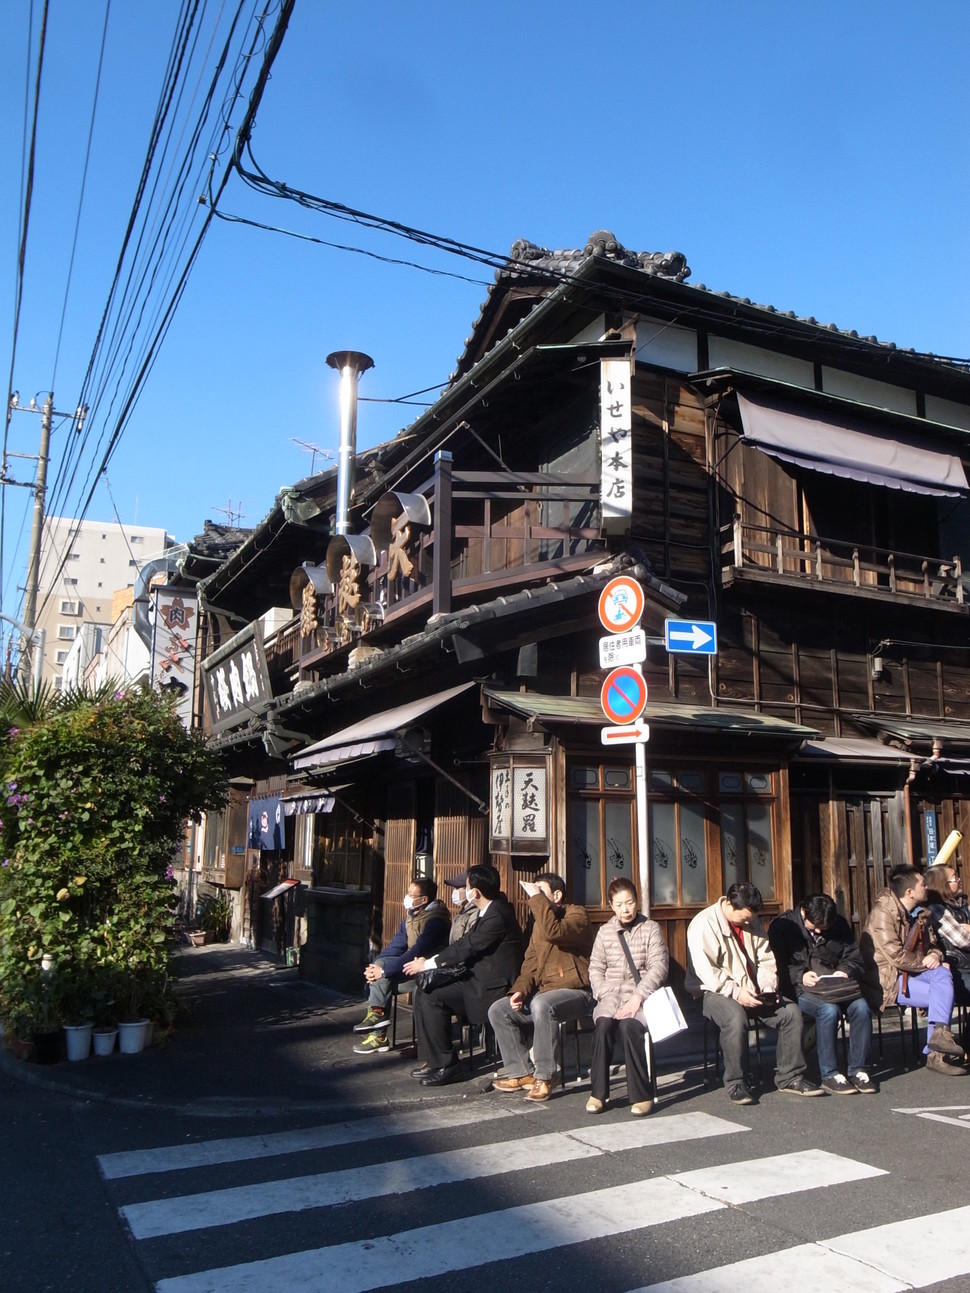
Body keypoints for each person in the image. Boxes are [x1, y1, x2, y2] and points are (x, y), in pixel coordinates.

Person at [686, 881, 822, 1103]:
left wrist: (768, 986)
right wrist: (736, 992)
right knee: (735, 1018)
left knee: (791, 1013)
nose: (749, 922)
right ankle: (736, 1082)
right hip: (712, 992)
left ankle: (790, 1076)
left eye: (751, 918)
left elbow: (765, 958)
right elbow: (707, 973)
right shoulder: (703, 924)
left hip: (752, 988)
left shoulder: (752, 922)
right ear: (729, 904)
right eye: (745, 918)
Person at [403, 864, 523, 1086]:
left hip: (489, 987)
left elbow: (468, 946)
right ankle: (436, 1060)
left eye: (466, 886)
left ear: (475, 892)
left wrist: (428, 963)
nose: (463, 891)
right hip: (476, 979)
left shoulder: (497, 914)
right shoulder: (489, 910)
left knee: (431, 996)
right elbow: (463, 945)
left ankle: (447, 1065)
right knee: (425, 992)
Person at [488, 873, 594, 1103]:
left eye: (540, 891)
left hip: (578, 992)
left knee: (541, 1004)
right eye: (533, 892)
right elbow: (530, 964)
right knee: (499, 1009)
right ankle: (522, 1072)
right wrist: (519, 991)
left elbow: (555, 931)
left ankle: (546, 1076)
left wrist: (536, 899)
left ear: (557, 895)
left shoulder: (577, 914)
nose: (534, 896)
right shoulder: (539, 925)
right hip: (545, 994)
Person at [861, 865, 967, 1075]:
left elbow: (934, 944)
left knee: (943, 973)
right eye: (922, 884)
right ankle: (935, 1052)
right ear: (909, 892)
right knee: (941, 993)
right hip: (888, 978)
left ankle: (937, 1044)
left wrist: (936, 956)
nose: (926, 886)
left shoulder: (920, 912)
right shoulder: (882, 914)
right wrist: (926, 960)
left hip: (914, 972)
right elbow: (896, 956)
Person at [768, 893, 876, 1094]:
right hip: (800, 989)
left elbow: (854, 958)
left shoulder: (839, 924)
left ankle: (859, 1069)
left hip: (835, 986)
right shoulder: (783, 926)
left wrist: (845, 970)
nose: (819, 931)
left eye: (824, 928)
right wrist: (801, 975)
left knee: (861, 1007)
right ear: (803, 912)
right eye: (814, 926)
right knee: (829, 1010)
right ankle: (830, 1073)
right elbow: (777, 965)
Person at [586, 877, 669, 1116]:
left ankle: (641, 1095)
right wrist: (604, 992)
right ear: (611, 905)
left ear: (637, 901)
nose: (626, 909)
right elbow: (595, 968)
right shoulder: (604, 932)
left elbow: (659, 967)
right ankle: (598, 1093)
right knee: (603, 1027)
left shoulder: (650, 928)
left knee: (629, 1028)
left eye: (630, 902)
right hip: (610, 996)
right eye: (619, 904)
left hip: (641, 996)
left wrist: (638, 996)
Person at [352, 876, 450, 1055]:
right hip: (411, 969)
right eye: (408, 892)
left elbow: (417, 951)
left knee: (384, 979)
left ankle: (379, 1033)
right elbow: (395, 947)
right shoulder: (410, 918)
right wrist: (375, 968)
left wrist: (384, 971)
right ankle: (378, 1018)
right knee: (382, 972)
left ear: (424, 899)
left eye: (412, 894)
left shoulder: (436, 921)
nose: (408, 897)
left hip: (431, 971)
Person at [923, 863, 970, 1004]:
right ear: (942, 884)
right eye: (954, 878)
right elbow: (964, 940)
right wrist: (965, 929)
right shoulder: (937, 910)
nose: (959, 879)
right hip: (957, 970)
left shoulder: (962, 904)